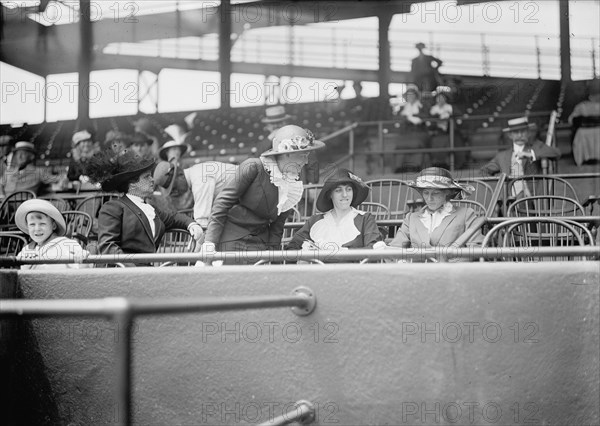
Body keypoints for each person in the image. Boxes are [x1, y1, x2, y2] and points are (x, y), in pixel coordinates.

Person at [201, 125, 325, 263]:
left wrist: (274, 260)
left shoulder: (293, 184)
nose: (306, 162)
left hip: (260, 245)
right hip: (231, 240)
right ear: (287, 153)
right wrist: (209, 243)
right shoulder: (253, 167)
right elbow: (221, 203)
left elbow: (277, 227)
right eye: (303, 156)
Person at [85, 149, 204, 266]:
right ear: (132, 184)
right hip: (120, 272)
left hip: (146, 271)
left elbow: (174, 217)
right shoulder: (112, 207)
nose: (152, 180)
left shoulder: (151, 209)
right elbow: (108, 246)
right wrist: (131, 268)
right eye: (147, 177)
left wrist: (191, 224)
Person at [387, 167, 484, 258]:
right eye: (425, 193)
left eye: (435, 193)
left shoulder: (466, 214)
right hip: (416, 273)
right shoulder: (411, 218)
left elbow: (477, 249)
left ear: (447, 192)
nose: (429, 198)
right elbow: (395, 249)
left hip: (453, 273)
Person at [285, 168, 382, 252]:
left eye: (348, 189)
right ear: (330, 195)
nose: (345, 195)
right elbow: (292, 248)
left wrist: (341, 253)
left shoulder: (365, 219)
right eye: (338, 190)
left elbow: (373, 249)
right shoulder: (315, 220)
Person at [481, 117, 561, 195]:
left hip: (532, 201)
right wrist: (498, 190)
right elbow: (483, 172)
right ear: (510, 135)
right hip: (508, 202)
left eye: (523, 131)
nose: (520, 135)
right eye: (516, 132)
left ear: (528, 132)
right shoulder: (502, 156)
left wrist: (531, 154)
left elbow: (557, 153)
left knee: (522, 196)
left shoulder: (537, 147)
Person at [153, 160, 238, 228]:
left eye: (174, 188)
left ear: (180, 175)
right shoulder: (196, 173)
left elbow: (202, 220)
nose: (175, 193)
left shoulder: (199, 179)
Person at [15, 199, 89, 270]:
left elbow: (85, 271)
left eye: (42, 224)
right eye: (32, 224)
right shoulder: (27, 250)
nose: (37, 229)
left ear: (53, 225)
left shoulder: (67, 244)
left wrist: (82, 258)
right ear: (27, 227)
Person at [261, 106, 319, 184]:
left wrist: (311, 183)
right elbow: (258, 159)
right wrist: (270, 138)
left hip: (299, 184)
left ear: (286, 123)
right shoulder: (264, 144)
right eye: (273, 123)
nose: (276, 126)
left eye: (280, 122)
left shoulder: (300, 139)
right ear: (267, 126)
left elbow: (312, 164)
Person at [0, 141, 66, 199]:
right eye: (17, 153)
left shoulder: (39, 172)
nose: (19, 156)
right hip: (6, 208)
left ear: (31, 156)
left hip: (25, 208)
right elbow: (0, 185)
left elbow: (60, 178)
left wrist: (60, 184)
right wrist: (2, 196)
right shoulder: (8, 172)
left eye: (23, 153)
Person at [568, 81, 600, 166]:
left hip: (584, 132)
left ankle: (583, 158)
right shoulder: (582, 106)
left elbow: (571, 120)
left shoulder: (581, 106)